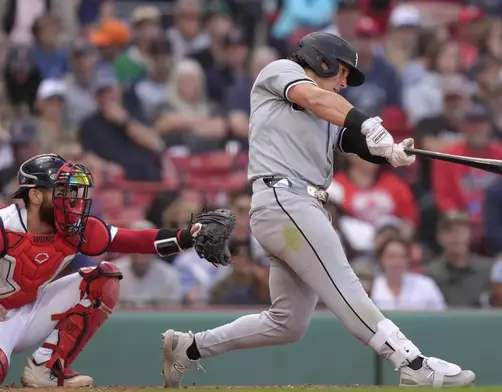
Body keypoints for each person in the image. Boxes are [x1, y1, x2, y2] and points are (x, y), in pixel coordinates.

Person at [161, 32, 475, 388]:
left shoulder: (326, 110)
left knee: (287, 323)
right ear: (320, 59)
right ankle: (412, 362)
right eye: (342, 72)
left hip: (297, 206)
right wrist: (370, 124)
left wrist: (388, 152)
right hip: (285, 200)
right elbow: (315, 98)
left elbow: (352, 140)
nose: (344, 83)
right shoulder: (281, 71)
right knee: (346, 286)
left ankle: (189, 347)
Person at [0, 153, 224, 387]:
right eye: (60, 190)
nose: (69, 198)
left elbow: (137, 241)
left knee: (103, 279)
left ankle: (47, 368)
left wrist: (186, 238)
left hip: (32, 308)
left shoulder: (74, 227)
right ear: (35, 195)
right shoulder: (5, 225)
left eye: (70, 190)